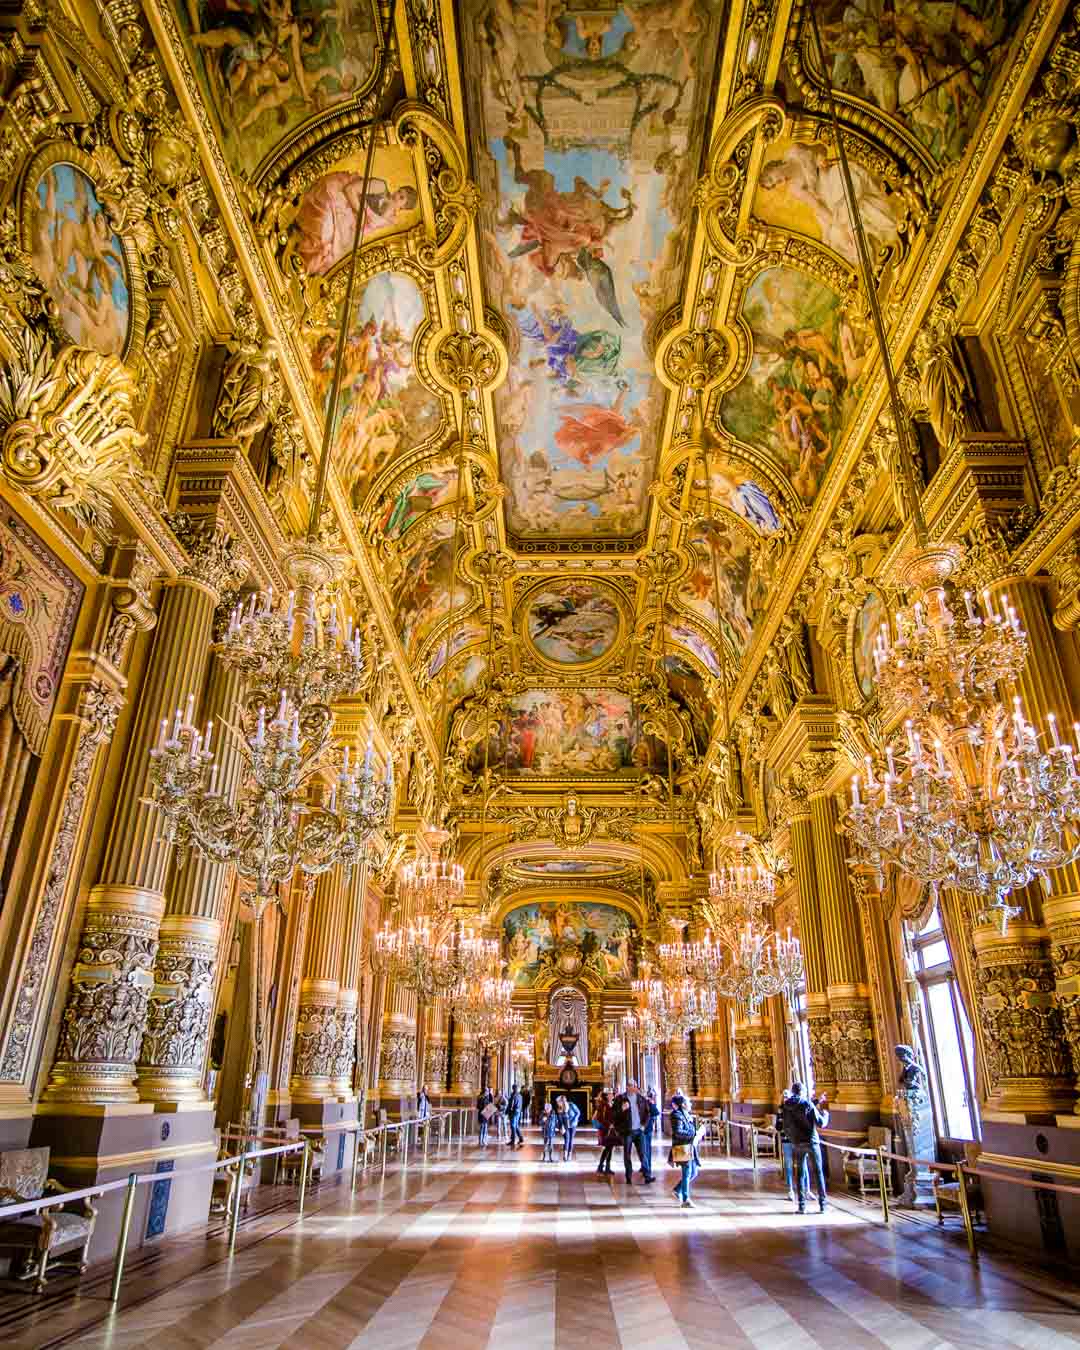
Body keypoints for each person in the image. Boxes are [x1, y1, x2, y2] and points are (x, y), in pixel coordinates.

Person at [781, 1081, 829, 1214]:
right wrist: (826, 1115)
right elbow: (820, 1123)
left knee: (800, 1174)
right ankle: (823, 1205)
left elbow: (785, 1126)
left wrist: (793, 1139)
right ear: (802, 1092)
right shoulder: (807, 1104)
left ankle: (801, 1206)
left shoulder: (786, 1106)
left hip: (797, 1143)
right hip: (812, 1142)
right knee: (818, 1173)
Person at [613, 1080, 656, 1183]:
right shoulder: (620, 1099)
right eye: (631, 1086)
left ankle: (647, 1175)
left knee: (643, 1153)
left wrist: (643, 1126)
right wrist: (622, 1109)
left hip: (639, 1131)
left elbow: (647, 1113)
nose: (633, 1088)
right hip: (627, 1131)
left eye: (635, 1086)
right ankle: (628, 1176)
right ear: (627, 1087)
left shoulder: (641, 1099)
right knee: (627, 1154)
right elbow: (614, 1115)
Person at [668, 1090, 700, 1208]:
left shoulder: (686, 1115)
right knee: (687, 1173)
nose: (691, 1104)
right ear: (683, 1104)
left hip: (689, 1146)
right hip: (682, 1147)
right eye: (689, 1102)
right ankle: (686, 1199)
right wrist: (693, 1134)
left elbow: (690, 1129)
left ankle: (677, 1190)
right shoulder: (676, 1115)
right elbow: (678, 1132)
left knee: (694, 1172)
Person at [593, 1088, 616, 1175]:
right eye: (610, 1094)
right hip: (606, 1129)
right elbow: (600, 1118)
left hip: (612, 1129)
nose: (612, 1095)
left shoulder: (613, 1104)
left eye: (612, 1094)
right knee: (607, 1148)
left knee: (609, 1148)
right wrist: (608, 1124)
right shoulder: (603, 1105)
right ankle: (602, 1166)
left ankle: (606, 1167)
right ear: (607, 1096)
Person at [642, 1087, 661, 1178]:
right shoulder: (645, 1103)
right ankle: (646, 1168)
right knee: (645, 1150)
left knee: (646, 1150)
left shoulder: (647, 1102)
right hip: (642, 1129)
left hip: (645, 1129)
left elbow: (656, 1113)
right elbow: (656, 1113)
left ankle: (646, 1168)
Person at [556, 1094, 580, 1161]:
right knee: (567, 1139)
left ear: (562, 1101)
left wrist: (573, 1121)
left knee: (571, 1139)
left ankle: (569, 1154)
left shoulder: (572, 1105)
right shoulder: (559, 1109)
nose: (557, 1103)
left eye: (558, 1102)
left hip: (573, 1125)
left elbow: (578, 1113)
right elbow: (559, 1119)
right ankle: (565, 1155)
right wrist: (560, 1127)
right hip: (565, 1126)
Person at [507, 1082, 525, 1149]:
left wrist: (508, 1111)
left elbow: (511, 1105)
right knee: (516, 1126)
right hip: (518, 1112)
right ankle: (521, 1138)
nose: (513, 1089)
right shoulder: (520, 1095)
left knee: (513, 1126)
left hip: (513, 1113)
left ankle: (513, 1140)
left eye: (513, 1088)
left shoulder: (513, 1095)